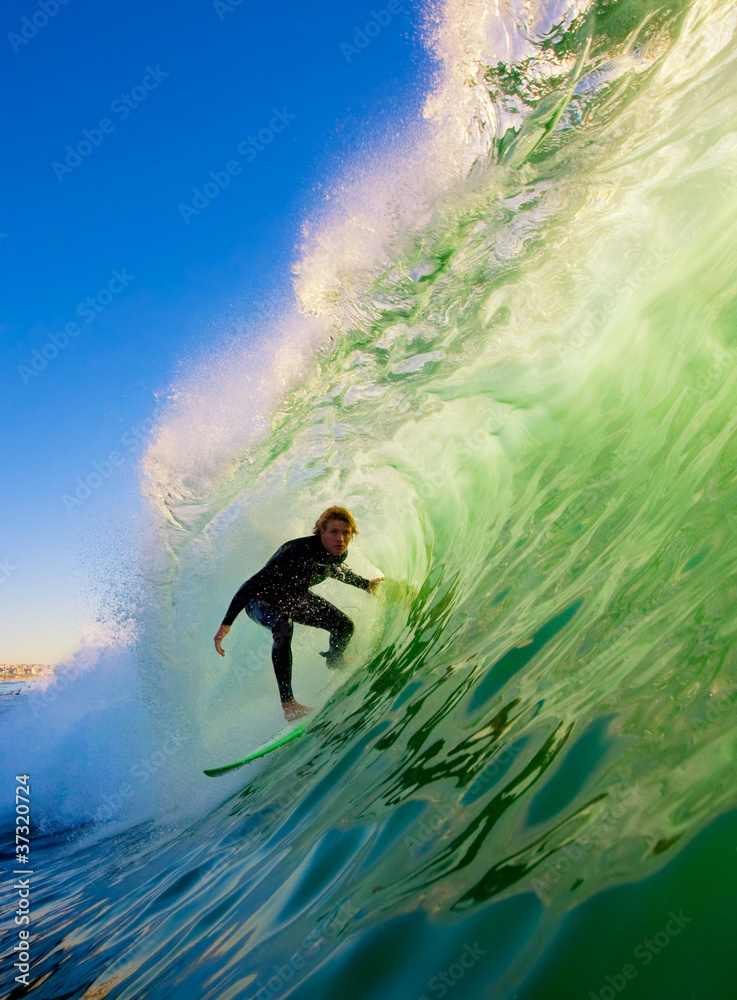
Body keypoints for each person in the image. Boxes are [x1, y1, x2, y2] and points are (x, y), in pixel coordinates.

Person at [213, 506, 384, 721]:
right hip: (260, 600)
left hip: (294, 598)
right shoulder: (295, 552)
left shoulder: (337, 552)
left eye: (346, 532)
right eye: (333, 532)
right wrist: (226, 624)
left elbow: (333, 570)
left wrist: (365, 585)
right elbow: (250, 585)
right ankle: (289, 705)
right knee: (284, 625)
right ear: (321, 532)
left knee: (344, 626)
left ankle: (334, 659)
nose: (340, 538)